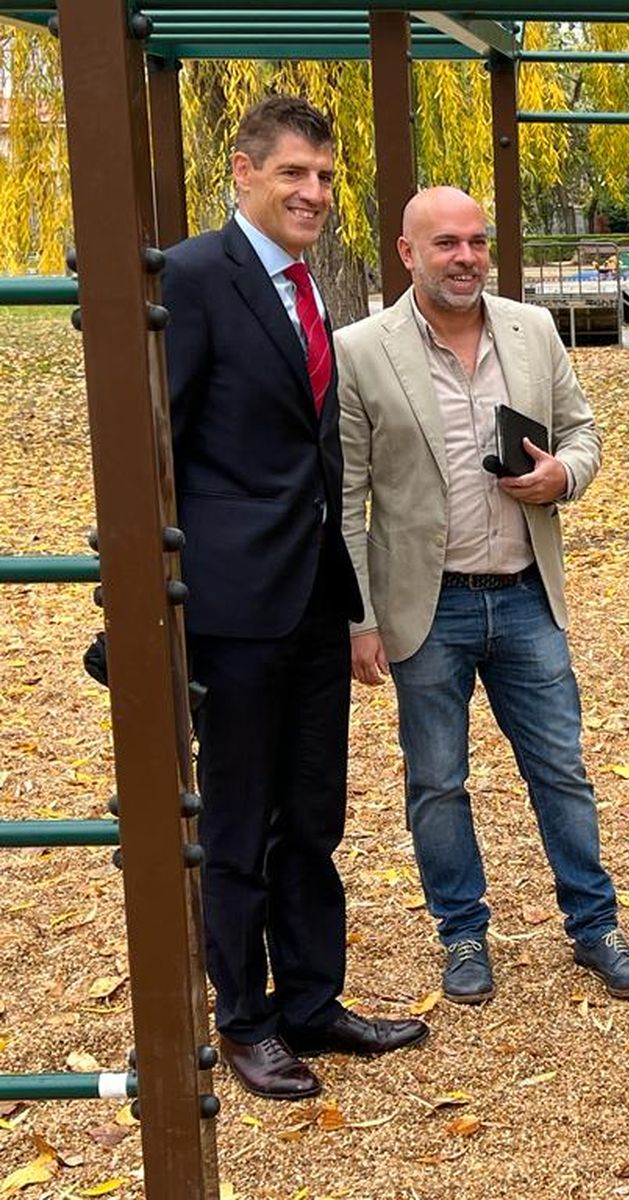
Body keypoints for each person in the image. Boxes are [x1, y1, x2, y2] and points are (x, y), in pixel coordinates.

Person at [162, 95, 428, 1101]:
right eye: (292, 174)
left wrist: (349, 604)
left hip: (315, 595)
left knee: (313, 813)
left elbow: (318, 454)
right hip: (233, 606)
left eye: (323, 176)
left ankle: (313, 999)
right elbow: (155, 442)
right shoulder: (194, 277)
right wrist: (145, 598)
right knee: (239, 820)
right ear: (243, 173)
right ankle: (245, 1020)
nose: (313, 192)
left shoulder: (309, 285)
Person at [335, 187, 629, 1006]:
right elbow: (345, 498)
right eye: (446, 243)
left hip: (524, 597)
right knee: (437, 782)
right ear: (407, 253)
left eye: (476, 241)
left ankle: (595, 927)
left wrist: (563, 476)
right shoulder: (360, 351)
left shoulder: (531, 329)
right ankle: (462, 935)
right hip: (426, 607)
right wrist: (360, 619)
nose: (466, 257)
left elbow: (582, 432)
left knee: (561, 770)